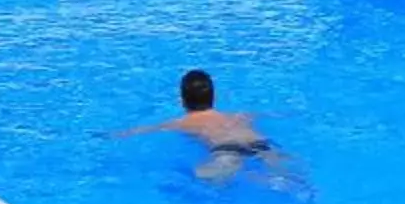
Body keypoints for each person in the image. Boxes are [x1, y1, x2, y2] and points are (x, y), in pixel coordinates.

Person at [113, 69, 291, 185]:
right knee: (284, 178)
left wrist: (113, 135)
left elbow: (142, 131)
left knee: (201, 182)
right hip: (261, 144)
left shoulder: (184, 122)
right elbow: (270, 114)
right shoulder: (239, 115)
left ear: (182, 100)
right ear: (214, 96)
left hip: (226, 151)